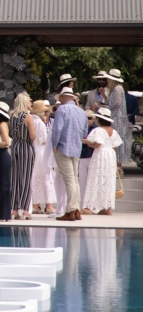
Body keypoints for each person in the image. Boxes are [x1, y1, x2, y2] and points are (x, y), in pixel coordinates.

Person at [52, 86, 89, 221]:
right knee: (74, 179)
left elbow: (57, 130)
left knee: (69, 180)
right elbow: (85, 133)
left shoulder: (62, 109)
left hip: (63, 147)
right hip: (76, 148)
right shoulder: (81, 112)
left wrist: (54, 145)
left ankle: (71, 210)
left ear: (62, 97)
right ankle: (76, 209)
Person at [81, 108, 123, 215]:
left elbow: (97, 144)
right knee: (108, 179)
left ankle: (89, 207)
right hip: (110, 155)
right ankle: (107, 207)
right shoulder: (113, 131)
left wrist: (88, 143)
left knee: (95, 178)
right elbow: (115, 146)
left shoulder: (98, 130)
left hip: (101, 154)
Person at [8, 93, 36, 220]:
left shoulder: (11, 116)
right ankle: (24, 209)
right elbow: (32, 136)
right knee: (25, 178)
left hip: (15, 146)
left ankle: (13, 208)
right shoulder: (27, 116)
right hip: (26, 146)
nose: (31, 103)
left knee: (14, 177)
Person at [98, 69, 132, 166]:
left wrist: (104, 107)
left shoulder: (117, 89)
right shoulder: (117, 89)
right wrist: (104, 96)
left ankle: (117, 165)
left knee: (115, 141)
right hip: (116, 117)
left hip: (117, 119)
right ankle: (116, 165)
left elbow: (115, 104)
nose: (107, 80)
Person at [29, 100, 56, 216]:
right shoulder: (39, 123)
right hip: (40, 151)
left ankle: (35, 204)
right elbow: (43, 140)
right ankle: (49, 205)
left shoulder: (30, 120)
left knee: (34, 177)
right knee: (46, 177)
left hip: (32, 149)